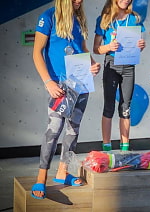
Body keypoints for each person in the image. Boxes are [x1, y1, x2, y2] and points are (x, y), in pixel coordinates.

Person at [31, 0, 101, 199]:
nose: (78, 0)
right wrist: (48, 82)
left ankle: (62, 172)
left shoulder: (79, 18)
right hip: (59, 86)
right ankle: (41, 178)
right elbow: (37, 52)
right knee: (53, 131)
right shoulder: (48, 17)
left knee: (73, 130)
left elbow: (82, 48)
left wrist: (93, 64)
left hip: (81, 83)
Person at [93, 0, 146, 151]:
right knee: (109, 106)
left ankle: (125, 147)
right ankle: (107, 147)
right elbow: (96, 49)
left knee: (125, 107)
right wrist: (109, 46)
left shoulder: (134, 18)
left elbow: (137, 45)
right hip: (112, 64)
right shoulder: (104, 18)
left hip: (129, 65)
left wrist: (141, 46)